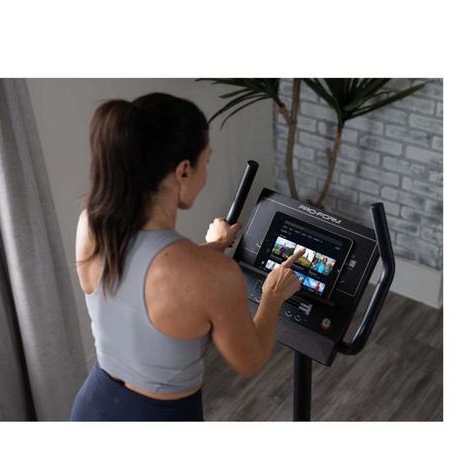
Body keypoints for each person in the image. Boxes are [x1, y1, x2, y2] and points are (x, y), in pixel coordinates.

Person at [70, 93, 302, 421]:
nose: (206, 174)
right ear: (183, 171)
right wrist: (272, 296)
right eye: (206, 161)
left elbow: (145, 277)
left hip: (94, 405)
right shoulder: (213, 274)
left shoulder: (91, 224)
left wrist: (214, 245)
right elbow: (249, 360)